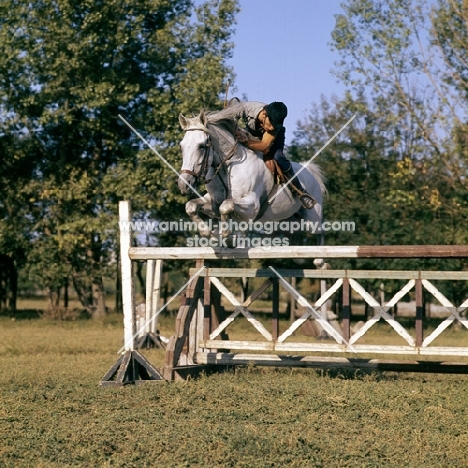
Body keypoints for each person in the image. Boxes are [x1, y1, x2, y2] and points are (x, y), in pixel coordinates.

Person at [232, 101, 316, 209]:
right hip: (252, 135)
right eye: (272, 124)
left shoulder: (275, 129)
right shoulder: (247, 108)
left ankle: (300, 192)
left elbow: (264, 146)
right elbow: (232, 114)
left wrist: (246, 141)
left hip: (271, 142)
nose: (272, 128)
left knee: (278, 157)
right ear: (264, 114)